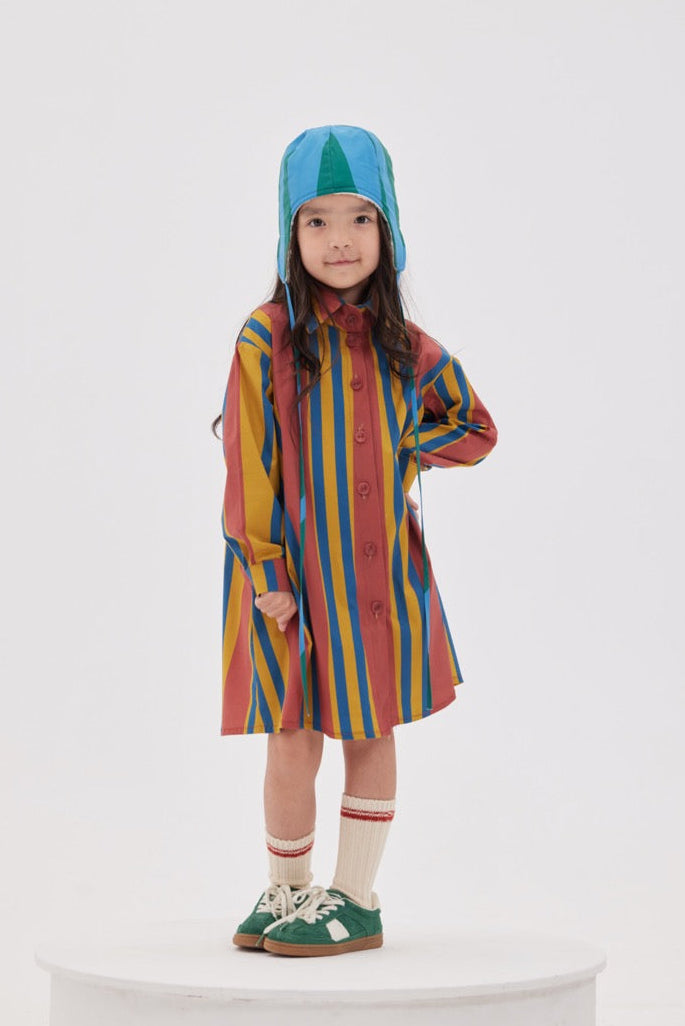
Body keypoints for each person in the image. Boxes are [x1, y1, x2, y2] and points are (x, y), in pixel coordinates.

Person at [212, 124, 498, 957]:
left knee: (369, 728)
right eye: (317, 220)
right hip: (286, 582)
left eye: (359, 218)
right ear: (289, 233)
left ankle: (355, 896)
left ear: (388, 228)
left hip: (376, 580)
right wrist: (265, 566)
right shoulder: (266, 337)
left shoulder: (406, 349)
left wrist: (409, 446)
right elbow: (247, 459)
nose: (339, 239)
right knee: (290, 734)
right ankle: (289, 887)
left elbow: (475, 429)